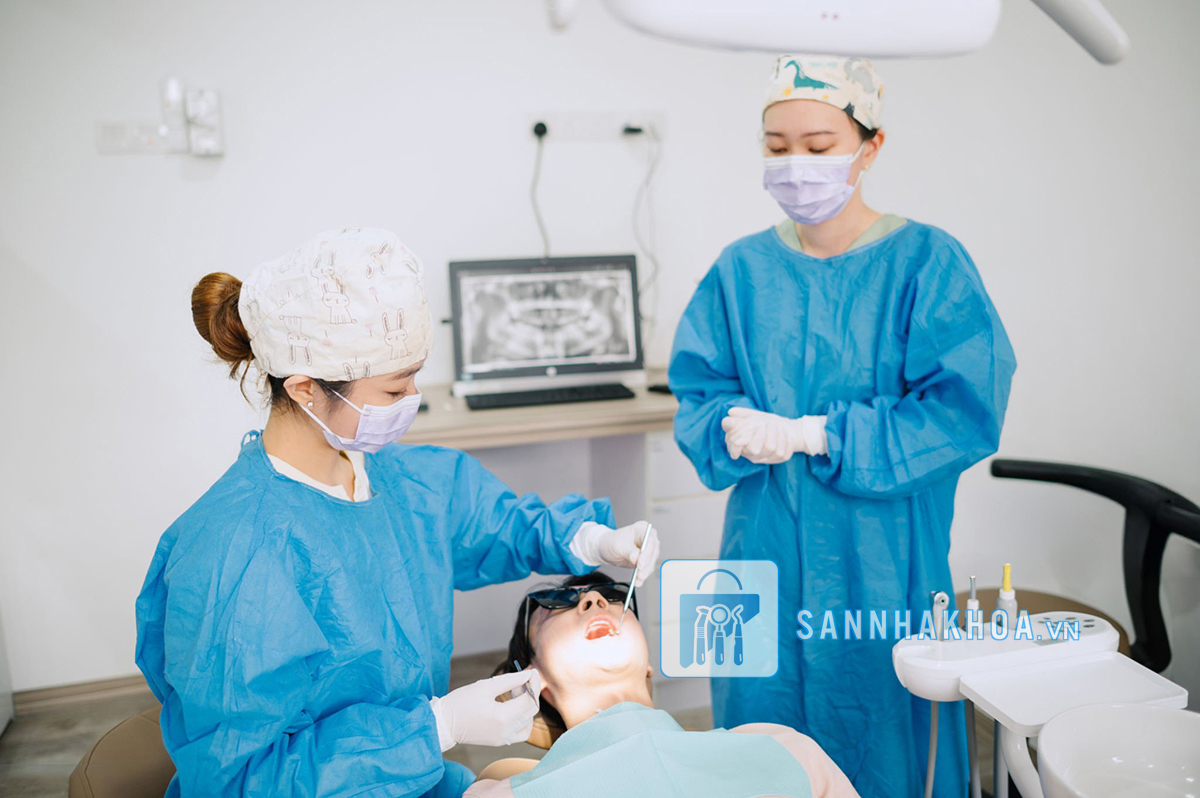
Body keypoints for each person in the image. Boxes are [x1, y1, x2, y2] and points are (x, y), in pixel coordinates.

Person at [134, 228, 662, 798]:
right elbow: (241, 781)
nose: (413, 398)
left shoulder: (403, 480)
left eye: (415, 376)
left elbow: (491, 522)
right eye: (393, 390)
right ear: (306, 389)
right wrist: (434, 728)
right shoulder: (232, 555)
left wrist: (589, 540)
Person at [669, 55, 1017, 798]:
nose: (796, 163)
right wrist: (732, 426)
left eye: (819, 145)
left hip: (883, 559)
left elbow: (962, 410)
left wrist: (819, 434)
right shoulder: (739, 270)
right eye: (777, 145)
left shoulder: (927, 262)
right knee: (758, 736)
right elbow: (698, 394)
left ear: (870, 146)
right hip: (759, 551)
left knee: (886, 731)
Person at [466, 573, 860, 798]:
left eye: (612, 596)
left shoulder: (785, 749)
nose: (594, 601)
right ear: (533, 681)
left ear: (650, 667)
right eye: (557, 603)